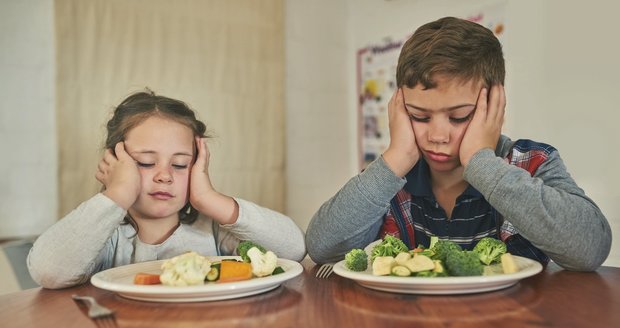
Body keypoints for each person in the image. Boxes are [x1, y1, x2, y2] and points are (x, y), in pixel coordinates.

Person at [306, 17, 611, 271]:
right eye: (419, 116)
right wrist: (395, 160)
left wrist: (481, 162)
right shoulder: (389, 178)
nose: (438, 136)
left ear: (495, 106)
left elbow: (591, 249)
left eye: (459, 116)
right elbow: (322, 248)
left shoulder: (532, 161)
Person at [28, 90, 306, 289]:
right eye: (146, 162)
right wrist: (117, 194)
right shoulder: (104, 238)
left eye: (181, 164)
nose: (164, 176)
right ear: (114, 163)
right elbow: (48, 271)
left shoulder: (213, 230)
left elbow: (293, 249)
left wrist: (209, 199)